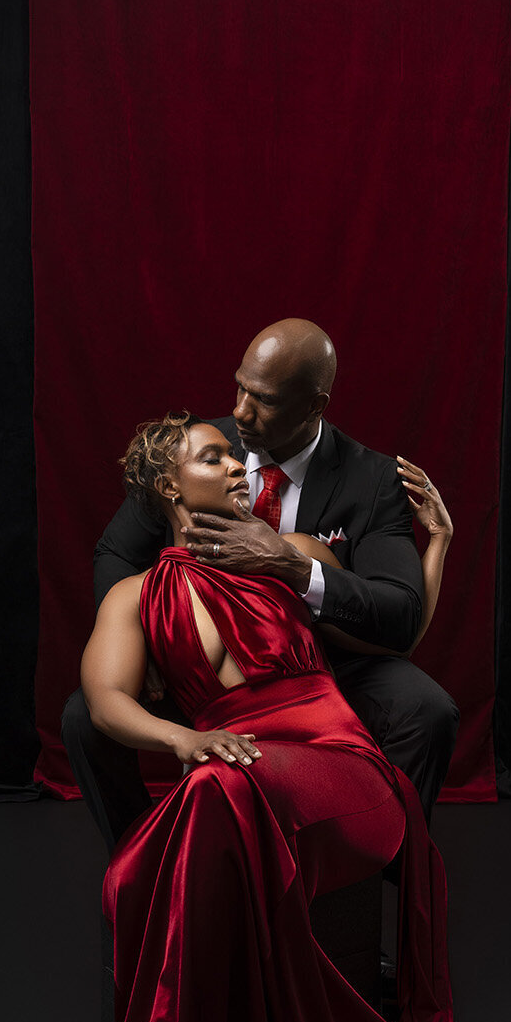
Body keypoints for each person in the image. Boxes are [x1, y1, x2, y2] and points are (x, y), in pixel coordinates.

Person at [73, 412, 511, 1022]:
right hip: (231, 773)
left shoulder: (288, 554)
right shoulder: (132, 597)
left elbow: (394, 638)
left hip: (343, 772)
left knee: (210, 798)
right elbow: (103, 700)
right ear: (169, 485)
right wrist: (181, 740)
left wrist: (440, 544)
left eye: (239, 456)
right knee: (199, 806)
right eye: (215, 456)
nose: (238, 464)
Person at [62, 318, 459, 851]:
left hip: (316, 663)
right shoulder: (196, 448)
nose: (241, 413)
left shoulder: (371, 481)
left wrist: (294, 567)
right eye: (240, 387)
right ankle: (146, 859)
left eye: (264, 400)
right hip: (200, 661)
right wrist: (151, 642)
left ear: (315, 406)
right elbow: (115, 553)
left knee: (426, 710)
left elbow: (399, 617)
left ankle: (374, 864)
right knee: (85, 715)